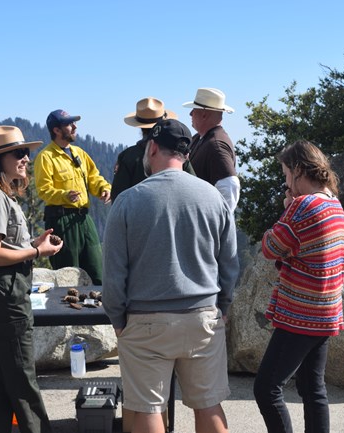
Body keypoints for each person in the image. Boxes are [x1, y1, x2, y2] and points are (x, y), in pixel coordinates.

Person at [103, 119, 240, 433]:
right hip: (203, 316)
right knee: (208, 405)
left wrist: (118, 319)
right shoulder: (213, 198)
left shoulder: (127, 201)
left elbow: (114, 273)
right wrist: (222, 307)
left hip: (145, 320)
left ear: (151, 148)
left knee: (147, 409)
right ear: (187, 154)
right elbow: (229, 264)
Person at [0, 125, 63, 433]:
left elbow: (5, 247)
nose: (26, 158)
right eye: (19, 153)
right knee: (23, 382)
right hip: (5, 297)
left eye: (27, 152)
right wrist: (36, 253)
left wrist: (34, 244)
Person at [253, 140, 344, 433]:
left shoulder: (303, 205)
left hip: (300, 314)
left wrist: (286, 209)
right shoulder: (334, 203)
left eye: (285, 174)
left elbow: (270, 247)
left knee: (266, 388)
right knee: (312, 388)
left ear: (297, 170)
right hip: (326, 312)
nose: (285, 181)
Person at [34, 109, 111, 285]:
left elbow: (94, 178)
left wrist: (104, 188)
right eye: (69, 124)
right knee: (67, 275)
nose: (75, 126)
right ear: (56, 130)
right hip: (61, 221)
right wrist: (64, 195)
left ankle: (99, 310)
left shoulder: (79, 153)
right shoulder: (45, 157)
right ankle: (67, 311)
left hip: (84, 219)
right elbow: (43, 190)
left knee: (97, 271)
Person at [111, 97, 195, 202]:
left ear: (140, 127)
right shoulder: (177, 154)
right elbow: (194, 187)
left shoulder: (127, 156)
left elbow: (118, 198)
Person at [182, 87, 240, 212]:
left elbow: (230, 188)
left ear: (204, 114)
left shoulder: (216, 146)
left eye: (194, 109)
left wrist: (215, 224)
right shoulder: (200, 138)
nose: (190, 113)